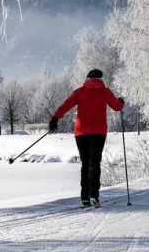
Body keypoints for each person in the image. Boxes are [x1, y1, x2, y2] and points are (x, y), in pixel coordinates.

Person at [51, 68, 125, 207]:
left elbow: (66, 104)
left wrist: (55, 118)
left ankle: (84, 197)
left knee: (85, 164)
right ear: (100, 79)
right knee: (94, 164)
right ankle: (94, 196)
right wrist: (121, 102)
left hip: (81, 133)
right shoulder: (105, 92)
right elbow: (116, 107)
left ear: (87, 79)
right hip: (98, 133)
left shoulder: (80, 91)